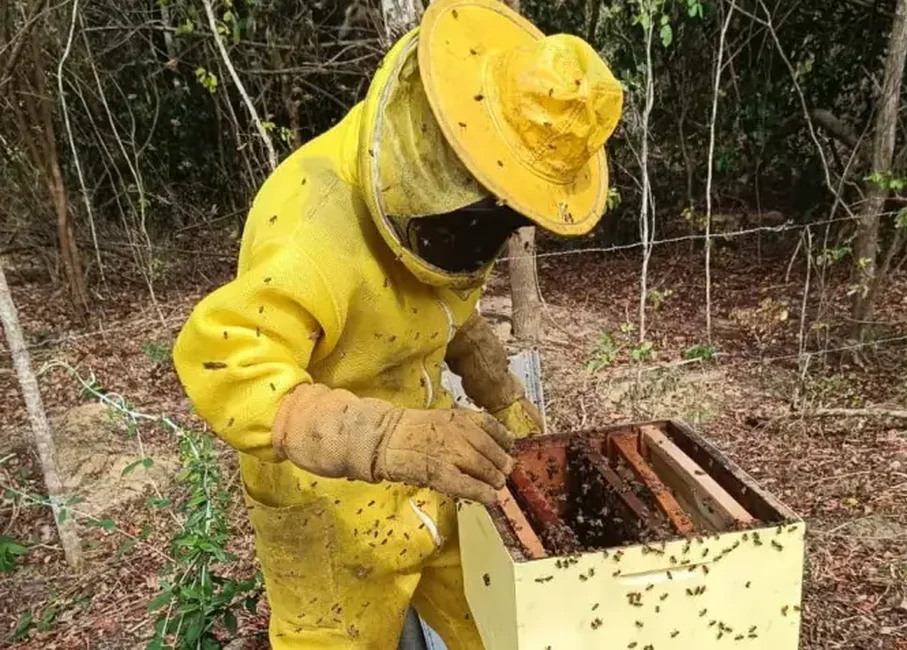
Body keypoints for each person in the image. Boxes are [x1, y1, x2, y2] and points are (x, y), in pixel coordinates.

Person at [170, 0, 623, 647]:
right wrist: (386, 439)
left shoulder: (452, 215)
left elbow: (437, 303)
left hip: (434, 482)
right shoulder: (310, 229)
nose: (486, 234)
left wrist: (502, 394)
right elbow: (227, 366)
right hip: (327, 511)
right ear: (442, 156)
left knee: (505, 625)